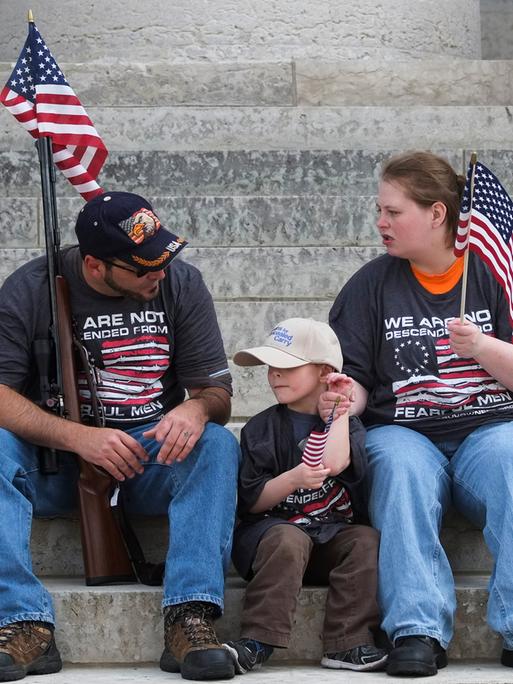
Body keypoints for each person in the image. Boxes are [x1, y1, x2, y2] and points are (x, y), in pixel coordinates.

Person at [0, 191, 240, 682]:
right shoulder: (29, 289)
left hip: (150, 455)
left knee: (217, 444)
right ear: (94, 265)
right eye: (144, 267)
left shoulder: (180, 283)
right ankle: (20, 620)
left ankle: (190, 616)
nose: (160, 272)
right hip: (55, 463)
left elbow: (217, 391)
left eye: (163, 259)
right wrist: (79, 438)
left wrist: (196, 409)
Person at [327, 151, 513, 676]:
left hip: (492, 426)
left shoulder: (495, 273)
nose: (381, 223)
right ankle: (417, 630)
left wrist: (481, 348)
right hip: (404, 430)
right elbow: (358, 381)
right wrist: (343, 396)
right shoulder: (371, 285)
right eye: (379, 211)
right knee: (399, 468)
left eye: (394, 212)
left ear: (437, 214)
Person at [223, 317, 387, 674]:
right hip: (271, 544)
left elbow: (334, 462)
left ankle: (347, 642)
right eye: (271, 367)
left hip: (328, 541)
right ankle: (257, 639)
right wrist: (293, 478)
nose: (274, 375)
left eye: (287, 366)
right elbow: (252, 501)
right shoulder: (260, 428)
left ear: (324, 371)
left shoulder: (349, 426)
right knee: (287, 537)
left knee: (365, 541)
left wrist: (340, 411)